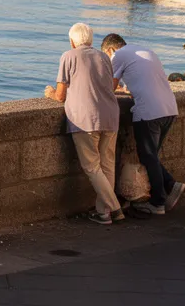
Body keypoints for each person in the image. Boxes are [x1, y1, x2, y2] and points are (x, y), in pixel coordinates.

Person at [46, 23, 122, 224]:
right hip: (111, 116)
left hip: (85, 119)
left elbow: (61, 95)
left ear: (72, 41)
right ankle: (103, 213)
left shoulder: (68, 56)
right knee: (107, 165)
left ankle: (114, 208)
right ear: (90, 40)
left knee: (91, 167)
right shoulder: (104, 57)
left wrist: (50, 93)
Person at [102, 34, 185, 215]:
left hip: (149, 112)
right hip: (169, 108)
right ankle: (171, 185)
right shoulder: (145, 51)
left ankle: (158, 202)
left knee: (147, 156)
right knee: (151, 156)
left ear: (110, 50)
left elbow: (109, 87)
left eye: (106, 57)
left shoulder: (118, 56)